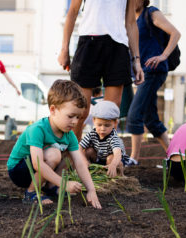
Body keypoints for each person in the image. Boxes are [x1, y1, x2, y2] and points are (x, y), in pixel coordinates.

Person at [7, 80, 101, 209]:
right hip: (19, 171)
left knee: (73, 155)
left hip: (40, 170)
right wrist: (64, 184)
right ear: (53, 110)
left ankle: (51, 187)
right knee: (53, 154)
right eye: (71, 116)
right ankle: (31, 193)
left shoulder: (69, 135)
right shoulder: (38, 129)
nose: (75, 122)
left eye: (78, 117)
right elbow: (37, 163)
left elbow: (80, 163)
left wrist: (91, 190)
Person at [58, 0, 144, 140]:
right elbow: (72, 12)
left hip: (118, 46)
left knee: (109, 113)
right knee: (80, 110)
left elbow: (131, 23)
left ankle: (103, 157)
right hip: (88, 43)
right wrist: (64, 49)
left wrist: (137, 60)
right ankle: (72, 157)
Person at [126, 0, 181, 166]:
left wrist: (163, 55)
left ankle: (134, 158)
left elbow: (175, 33)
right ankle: (176, 159)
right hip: (142, 73)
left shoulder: (151, 13)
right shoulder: (129, 20)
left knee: (134, 115)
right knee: (150, 119)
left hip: (154, 71)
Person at [80, 101, 129, 177]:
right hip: (100, 158)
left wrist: (113, 165)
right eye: (99, 125)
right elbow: (79, 148)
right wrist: (84, 161)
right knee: (88, 151)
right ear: (94, 121)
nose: (102, 129)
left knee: (110, 158)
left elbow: (117, 154)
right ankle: (89, 171)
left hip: (116, 161)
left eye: (107, 125)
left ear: (115, 123)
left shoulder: (113, 137)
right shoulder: (92, 134)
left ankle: (118, 176)